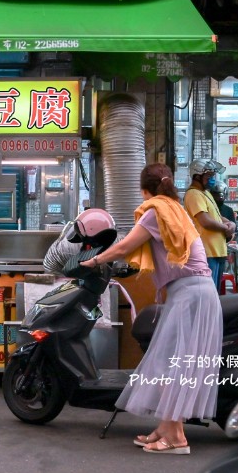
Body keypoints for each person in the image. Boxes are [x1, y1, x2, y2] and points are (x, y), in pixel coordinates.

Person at [80, 163, 221, 454]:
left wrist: (92, 262)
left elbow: (123, 248)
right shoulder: (175, 209)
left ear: (144, 190)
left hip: (190, 293)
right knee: (169, 363)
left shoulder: (155, 212)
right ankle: (165, 428)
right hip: (197, 291)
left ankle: (177, 438)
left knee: (172, 365)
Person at [184, 158, 235, 289]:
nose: (212, 179)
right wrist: (226, 228)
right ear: (196, 176)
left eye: (213, 175)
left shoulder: (205, 193)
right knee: (208, 294)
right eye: (209, 176)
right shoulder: (194, 194)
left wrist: (230, 223)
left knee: (214, 294)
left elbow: (216, 216)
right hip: (206, 253)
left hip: (217, 251)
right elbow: (205, 221)